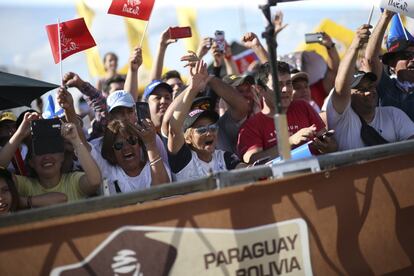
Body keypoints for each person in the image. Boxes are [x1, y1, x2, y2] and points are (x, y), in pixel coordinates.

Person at [326, 24, 414, 151]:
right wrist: (355, 45)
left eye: (371, 87)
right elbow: (342, 84)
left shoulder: (394, 114)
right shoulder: (342, 118)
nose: (369, 92)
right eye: (361, 89)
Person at [237, 61, 337, 164]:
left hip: (316, 175)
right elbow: (253, 161)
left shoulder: (303, 107)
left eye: (289, 83)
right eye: (278, 85)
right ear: (260, 90)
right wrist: (289, 142)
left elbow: (332, 146)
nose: (285, 89)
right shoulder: (251, 126)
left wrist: (326, 145)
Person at [168, 60, 244, 182]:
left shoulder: (224, 157)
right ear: (187, 138)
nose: (209, 133)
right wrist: (192, 89)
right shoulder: (183, 159)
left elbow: (246, 171)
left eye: (213, 127)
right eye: (201, 129)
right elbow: (174, 128)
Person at [0, 112, 102, 203]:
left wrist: (75, 140)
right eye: (40, 151)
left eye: (51, 149)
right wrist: (20, 134)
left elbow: (95, 181)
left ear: (62, 156)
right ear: (30, 161)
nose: (47, 157)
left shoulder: (74, 181)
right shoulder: (25, 186)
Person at [365, 9, 414, 121]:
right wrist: (385, 17)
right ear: (392, 63)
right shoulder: (385, 86)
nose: (413, 59)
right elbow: (371, 59)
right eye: (406, 55)